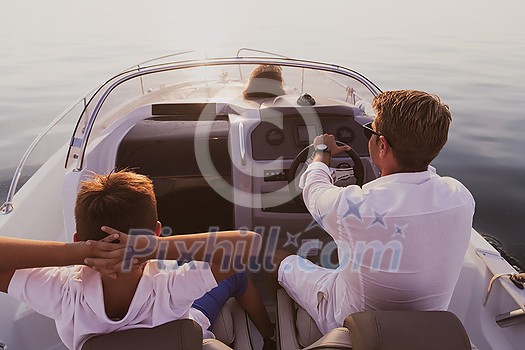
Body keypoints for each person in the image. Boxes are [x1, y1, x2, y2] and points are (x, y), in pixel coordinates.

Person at [1, 171, 275, 350]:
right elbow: (249, 246)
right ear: (156, 231)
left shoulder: (63, 293)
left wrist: (75, 253)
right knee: (238, 277)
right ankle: (269, 337)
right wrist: (155, 248)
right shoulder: (167, 287)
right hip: (186, 335)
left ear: (77, 237)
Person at [277, 90, 475, 334]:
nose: (368, 135)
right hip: (426, 326)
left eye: (369, 131)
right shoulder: (461, 197)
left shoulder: (354, 207)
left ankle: (273, 335)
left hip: (352, 323)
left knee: (281, 258)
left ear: (382, 145)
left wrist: (321, 152)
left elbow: (314, 189)